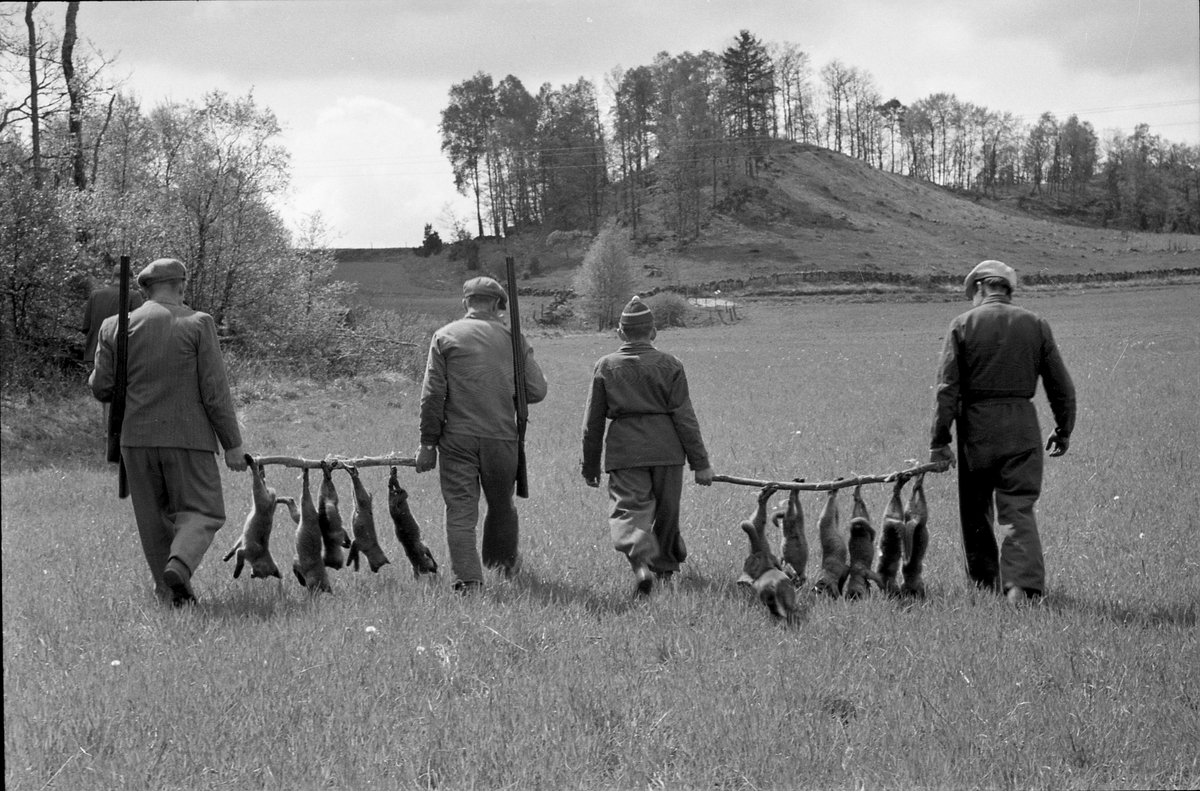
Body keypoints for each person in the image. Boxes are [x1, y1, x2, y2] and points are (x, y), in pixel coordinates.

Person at [90, 258, 247, 606]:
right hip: (188, 437)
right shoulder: (198, 323)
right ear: (181, 286)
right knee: (204, 511)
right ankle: (180, 565)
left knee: (154, 523)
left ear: (143, 290)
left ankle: (171, 596)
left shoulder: (113, 326)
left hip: (135, 441)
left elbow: (101, 388)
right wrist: (232, 444)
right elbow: (214, 391)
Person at [929, 260, 1076, 604]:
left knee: (975, 509)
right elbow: (1062, 387)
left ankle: (985, 583)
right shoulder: (1035, 325)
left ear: (980, 288)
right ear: (1008, 290)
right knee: (1018, 509)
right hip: (1022, 429)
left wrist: (940, 442)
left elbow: (946, 388)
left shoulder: (963, 324)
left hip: (976, 431)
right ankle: (1023, 588)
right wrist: (1063, 429)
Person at [415, 276, 548, 591]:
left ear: (466, 302)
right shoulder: (513, 338)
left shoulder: (444, 336)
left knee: (460, 511)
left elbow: (432, 396)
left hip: (456, 440)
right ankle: (503, 568)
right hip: (502, 439)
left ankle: (470, 581)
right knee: (501, 504)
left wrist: (427, 444)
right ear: (498, 304)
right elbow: (537, 390)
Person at [581, 296, 715, 598]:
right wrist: (700, 463)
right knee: (668, 513)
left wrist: (590, 467)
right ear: (653, 332)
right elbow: (684, 416)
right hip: (668, 451)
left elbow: (593, 423)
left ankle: (641, 564)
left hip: (625, 452)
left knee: (629, 510)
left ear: (619, 334)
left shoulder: (606, 366)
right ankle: (665, 573)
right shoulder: (671, 365)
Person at [81, 260, 144, 369]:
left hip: (94, 355)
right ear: (130, 279)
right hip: (120, 357)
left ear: (112, 277)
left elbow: (86, 328)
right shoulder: (134, 296)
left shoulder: (95, 295)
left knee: (96, 385)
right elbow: (139, 330)